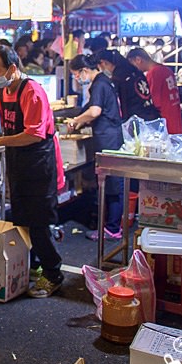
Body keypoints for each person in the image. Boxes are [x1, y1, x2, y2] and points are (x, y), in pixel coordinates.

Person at [0, 45, 65, 298]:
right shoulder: (4, 90)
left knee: (38, 223)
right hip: (18, 162)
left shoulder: (32, 91)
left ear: (12, 68)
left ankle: (53, 274)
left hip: (39, 163)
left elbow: (34, 133)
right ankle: (34, 265)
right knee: (21, 220)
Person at [66, 55, 125, 240]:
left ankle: (113, 228)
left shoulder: (99, 84)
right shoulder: (104, 80)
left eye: (76, 75)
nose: (77, 79)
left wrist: (76, 121)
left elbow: (94, 111)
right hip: (110, 136)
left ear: (84, 70)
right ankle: (111, 225)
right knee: (110, 183)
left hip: (109, 139)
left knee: (113, 184)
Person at [127, 47, 182, 134]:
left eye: (132, 64)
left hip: (164, 123)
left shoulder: (153, 74)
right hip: (175, 120)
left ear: (138, 60)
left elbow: (153, 101)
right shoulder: (166, 70)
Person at [94, 49, 160, 123]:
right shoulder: (134, 70)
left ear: (103, 63)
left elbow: (120, 103)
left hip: (136, 119)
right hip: (151, 114)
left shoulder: (120, 77)